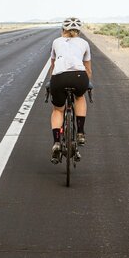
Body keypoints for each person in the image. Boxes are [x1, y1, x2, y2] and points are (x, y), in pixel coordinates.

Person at [48, 17, 92, 164]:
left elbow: (53, 66)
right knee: (79, 97)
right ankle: (80, 133)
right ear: (78, 31)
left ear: (63, 30)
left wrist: (52, 82)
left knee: (58, 110)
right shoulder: (84, 43)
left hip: (59, 78)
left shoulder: (56, 41)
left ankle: (56, 142)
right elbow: (88, 69)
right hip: (79, 76)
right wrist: (87, 84)